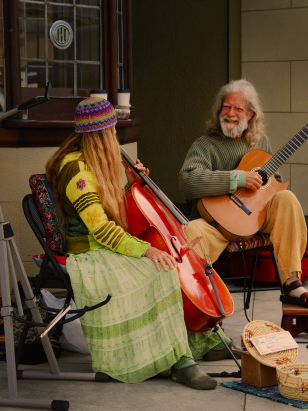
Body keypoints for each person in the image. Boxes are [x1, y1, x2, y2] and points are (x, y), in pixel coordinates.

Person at [45, 97, 236, 390]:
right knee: (160, 270)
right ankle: (180, 361)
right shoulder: (76, 171)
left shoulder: (92, 162)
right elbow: (101, 229)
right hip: (89, 257)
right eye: (111, 131)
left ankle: (199, 343)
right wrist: (147, 250)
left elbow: (109, 207)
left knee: (164, 266)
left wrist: (133, 183)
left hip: (104, 250)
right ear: (100, 135)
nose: (116, 138)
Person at [179, 79, 308, 309]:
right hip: (218, 227)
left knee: (287, 198)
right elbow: (188, 181)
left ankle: (291, 282)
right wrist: (237, 179)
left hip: (254, 220)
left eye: (238, 108)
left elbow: (270, 184)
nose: (231, 114)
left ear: (251, 114)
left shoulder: (260, 143)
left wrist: (268, 183)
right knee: (188, 235)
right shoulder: (205, 145)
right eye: (226, 107)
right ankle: (194, 302)